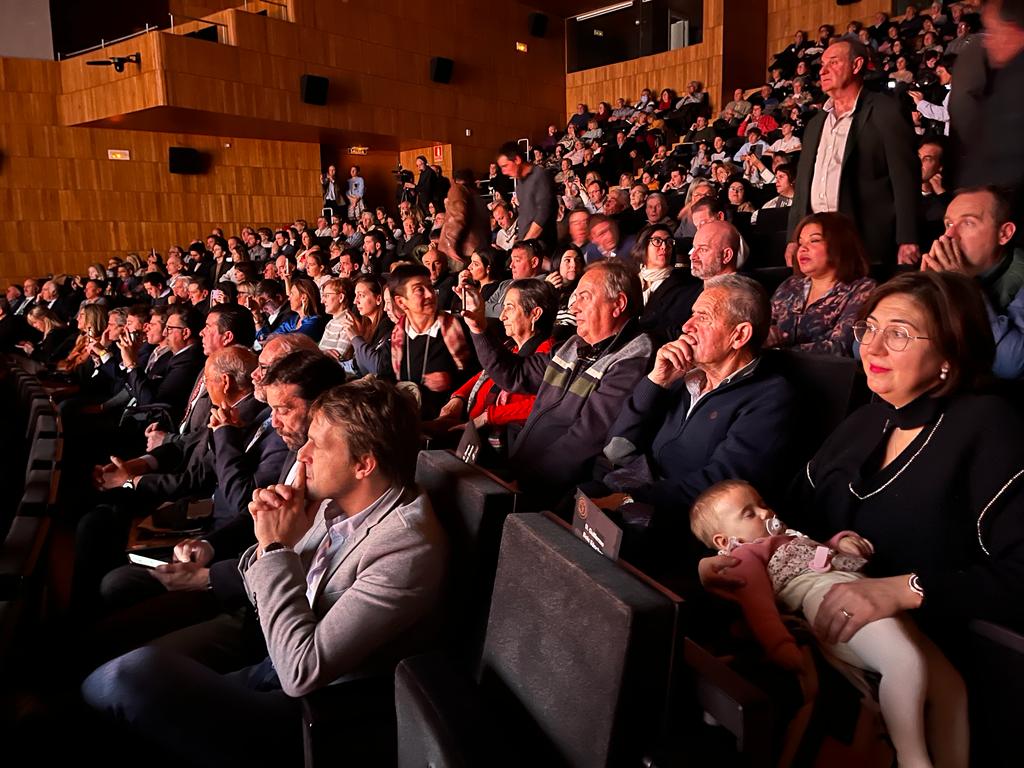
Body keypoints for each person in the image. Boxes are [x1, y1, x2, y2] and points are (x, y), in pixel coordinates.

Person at [82, 378, 449, 766]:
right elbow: (253, 583)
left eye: (317, 445)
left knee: (131, 675)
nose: (302, 454)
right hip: (267, 665)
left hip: (317, 719)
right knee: (115, 692)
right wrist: (267, 529)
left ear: (363, 464)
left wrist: (276, 547)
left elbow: (301, 673)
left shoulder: (407, 547)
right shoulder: (333, 505)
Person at [691, 480, 968, 768]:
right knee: (905, 663)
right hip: (826, 598)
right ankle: (913, 759)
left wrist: (842, 542)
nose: (764, 512)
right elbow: (757, 604)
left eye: (761, 503)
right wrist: (779, 645)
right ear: (724, 541)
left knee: (949, 686)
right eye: (749, 513)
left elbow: (821, 553)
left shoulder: (790, 538)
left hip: (873, 592)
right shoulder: (745, 555)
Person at [594, 275, 798, 563]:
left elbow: (720, 484)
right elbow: (617, 446)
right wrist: (655, 382)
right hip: (638, 492)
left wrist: (630, 497)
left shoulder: (771, 398)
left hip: (683, 526)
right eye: (691, 315)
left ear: (739, 335)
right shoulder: (684, 376)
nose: (687, 326)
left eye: (703, 317)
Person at [462, 260, 653, 501]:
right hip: (521, 470)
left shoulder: (632, 358)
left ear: (618, 305)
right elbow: (514, 375)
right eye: (575, 298)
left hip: (552, 492)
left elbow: (585, 439)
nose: (574, 308)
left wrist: (523, 483)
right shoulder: (572, 345)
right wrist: (479, 328)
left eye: (584, 297)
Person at [788, 40, 920, 266]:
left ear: (857, 65)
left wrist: (908, 238)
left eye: (833, 62)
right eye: (822, 64)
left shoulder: (885, 110)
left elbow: (905, 176)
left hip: (866, 240)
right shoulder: (815, 124)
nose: (823, 70)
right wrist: (793, 237)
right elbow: (802, 186)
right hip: (817, 243)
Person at [429, 279, 557, 448]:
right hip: (471, 422)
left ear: (535, 314)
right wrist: (459, 397)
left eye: (509, 307)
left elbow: (541, 404)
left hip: (493, 440)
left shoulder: (549, 354)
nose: (502, 316)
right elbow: (483, 375)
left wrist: (488, 417)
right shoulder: (511, 346)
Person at [922, 186, 1024, 378]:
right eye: (948, 224)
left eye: (968, 223)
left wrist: (963, 288)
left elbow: (1010, 364)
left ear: (1004, 234)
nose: (948, 235)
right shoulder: (936, 270)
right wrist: (922, 293)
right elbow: (860, 345)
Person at [768, 213, 876, 356]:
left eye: (814, 240)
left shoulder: (862, 289)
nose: (802, 249)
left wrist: (777, 352)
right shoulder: (790, 285)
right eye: (800, 243)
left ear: (840, 244)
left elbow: (841, 347)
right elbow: (765, 325)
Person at [387, 263, 478, 418]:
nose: (430, 294)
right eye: (419, 290)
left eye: (430, 287)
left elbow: (480, 374)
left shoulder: (459, 329)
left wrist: (452, 380)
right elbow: (386, 378)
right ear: (401, 302)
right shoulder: (397, 337)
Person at [632, 224, 701, 345]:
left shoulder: (684, 285)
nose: (664, 247)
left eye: (669, 242)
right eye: (657, 241)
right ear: (643, 245)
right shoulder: (632, 281)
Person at [497, 141, 557, 253]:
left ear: (517, 160)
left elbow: (542, 215)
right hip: (527, 245)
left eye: (505, 166)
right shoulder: (520, 183)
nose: (503, 172)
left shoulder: (540, 175)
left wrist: (525, 245)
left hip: (540, 248)